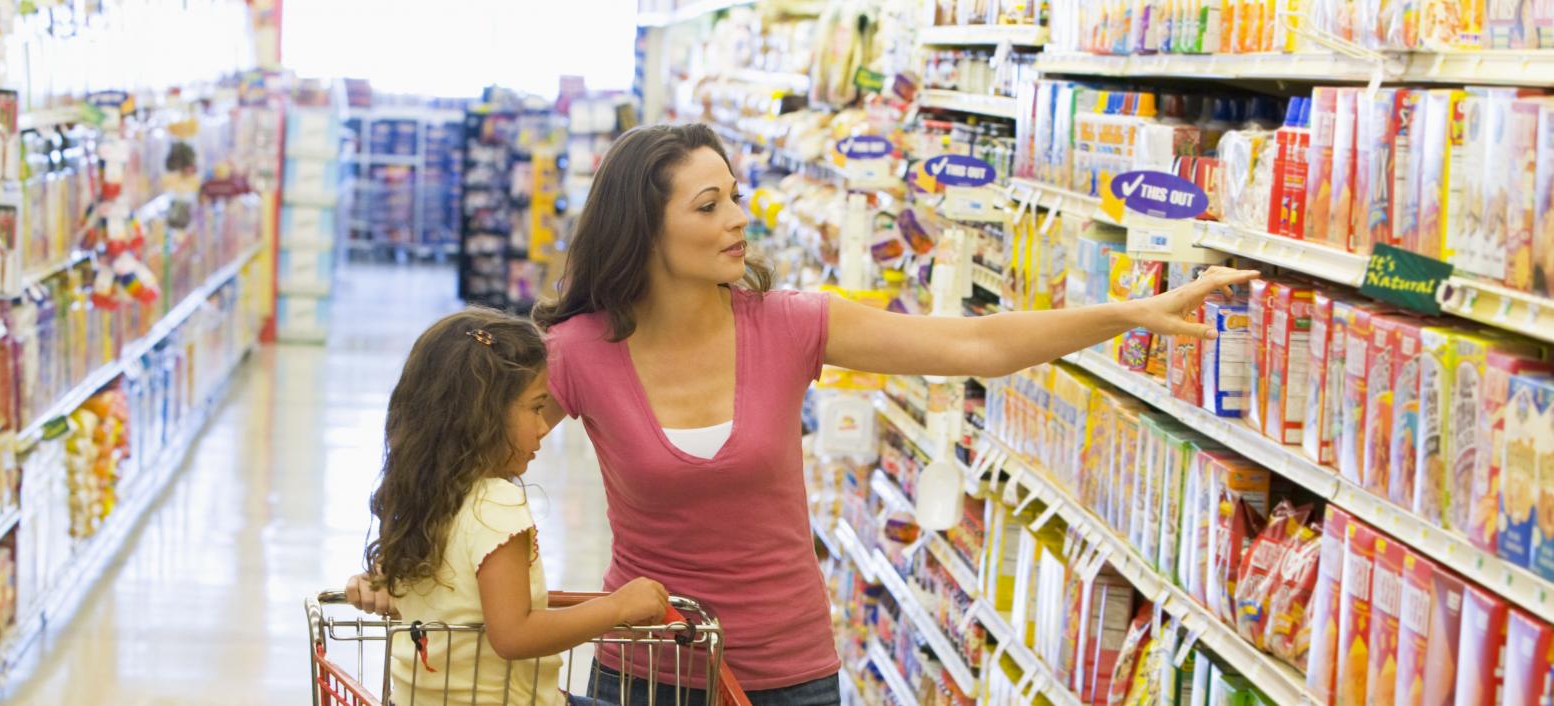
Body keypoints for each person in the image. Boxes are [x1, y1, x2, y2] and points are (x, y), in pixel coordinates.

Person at [350, 123, 1258, 705]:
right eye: (710, 205)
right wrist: (404, 573)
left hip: (789, 670)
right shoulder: (585, 351)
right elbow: (457, 449)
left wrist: (1124, 314)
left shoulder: (792, 327)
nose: (741, 218)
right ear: (647, 231)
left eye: (737, 194)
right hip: (649, 670)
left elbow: (971, 346)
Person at [360, 307, 671, 706]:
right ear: (483, 415)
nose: (545, 426)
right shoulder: (496, 505)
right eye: (537, 407)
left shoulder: (422, 498)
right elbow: (513, 634)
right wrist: (619, 606)